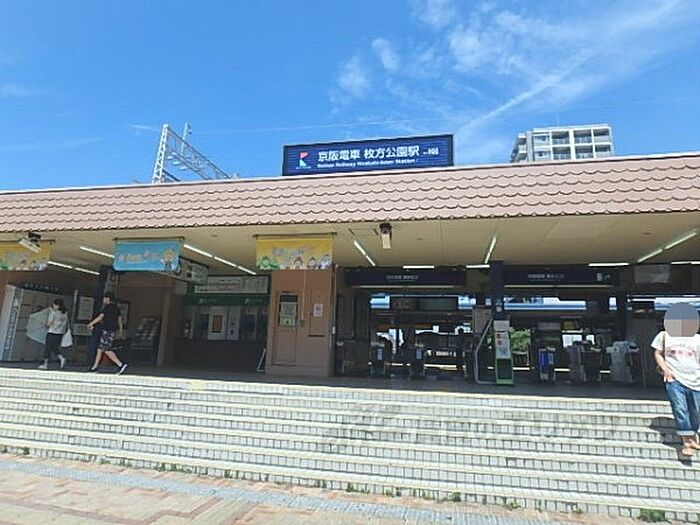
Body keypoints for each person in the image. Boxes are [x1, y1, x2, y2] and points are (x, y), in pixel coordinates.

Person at [652, 304, 700, 457]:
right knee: (680, 409)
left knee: (696, 410)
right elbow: (658, 353)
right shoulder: (664, 336)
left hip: (696, 380)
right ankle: (687, 442)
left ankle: (693, 436)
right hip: (674, 379)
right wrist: (666, 369)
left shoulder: (697, 339)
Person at [86, 292, 128, 374]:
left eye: (104, 298)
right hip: (112, 331)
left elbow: (100, 317)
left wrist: (91, 323)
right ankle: (94, 367)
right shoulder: (116, 308)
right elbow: (119, 321)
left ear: (108, 299)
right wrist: (120, 331)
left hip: (107, 331)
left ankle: (120, 364)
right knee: (100, 349)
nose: (103, 300)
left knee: (106, 349)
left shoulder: (107, 307)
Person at [39, 299, 68, 370]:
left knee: (47, 348)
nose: (53, 306)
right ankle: (61, 358)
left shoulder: (53, 313)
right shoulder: (65, 313)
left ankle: (45, 364)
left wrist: (45, 325)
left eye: (54, 305)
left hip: (52, 332)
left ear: (57, 305)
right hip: (60, 333)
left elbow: (49, 323)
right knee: (54, 347)